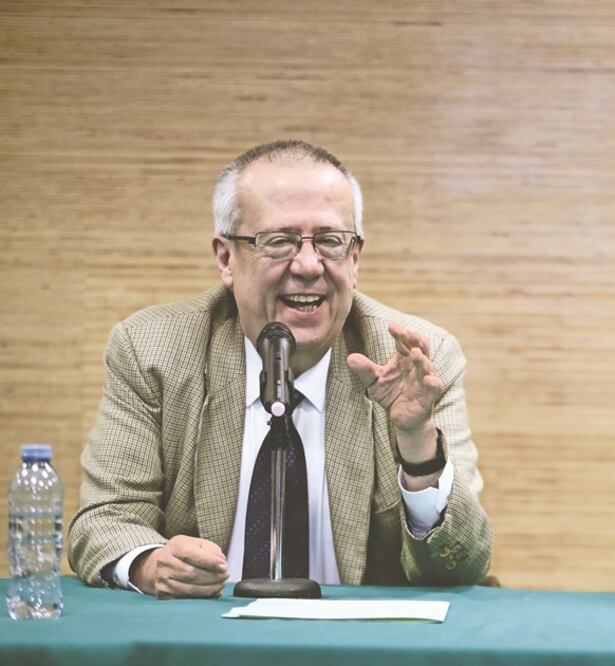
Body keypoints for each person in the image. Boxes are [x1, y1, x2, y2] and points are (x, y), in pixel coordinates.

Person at [69, 140, 493, 598]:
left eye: (330, 241)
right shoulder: (155, 351)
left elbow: (463, 563)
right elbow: (105, 518)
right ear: (226, 258)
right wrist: (152, 564)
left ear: (355, 258)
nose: (309, 265)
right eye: (279, 241)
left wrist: (418, 445)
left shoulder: (415, 361)